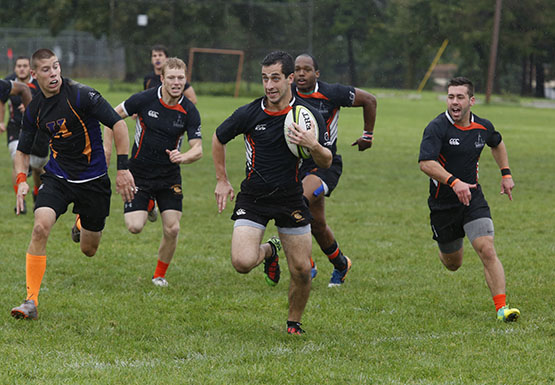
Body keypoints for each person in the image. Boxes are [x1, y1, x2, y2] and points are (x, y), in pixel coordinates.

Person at [10, 48, 135, 320]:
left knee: (89, 250)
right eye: (46, 69)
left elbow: (118, 125)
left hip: (94, 180)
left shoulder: (82, 94)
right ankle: (30, 301)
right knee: (40, 226)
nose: (53, 73)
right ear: (34, 74)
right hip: (58, 177)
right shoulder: (36, 109)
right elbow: (22, 151)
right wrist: (21, 179)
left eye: (56, 67)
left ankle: (80, 222)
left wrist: (123, 169)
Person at [213, 50, 332, 335]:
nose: (269, 85)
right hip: (253, 198)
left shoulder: (307, 116)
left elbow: (326, 160)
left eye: (275, 78)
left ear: (290, 78)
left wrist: (312, 144)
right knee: (241, 263)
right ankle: (269, 251)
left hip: (290, 198)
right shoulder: (250, 113)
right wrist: (221, 179)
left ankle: (294, 323)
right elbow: (219, 137)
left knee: (302, 270)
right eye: (265, 78)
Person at [418, 77, 520, 322]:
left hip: (473, 198)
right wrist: (454, 182)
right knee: (453, 263)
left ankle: (502, 308)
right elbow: (426, 163)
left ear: (471, 101)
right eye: (451, 96)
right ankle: (445, 249)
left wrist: (505, 173)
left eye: (460, 97)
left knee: (486, 249)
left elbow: (497, 142)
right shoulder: (437, 127)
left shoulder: (482, 127)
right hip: (443, 204)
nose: (454, 101)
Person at [104, 57, 202, 287]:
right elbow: (111, 117)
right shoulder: (144, 99)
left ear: (185, 79)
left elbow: (197, 148)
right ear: (162, 78)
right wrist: (108, 149)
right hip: (138, 173)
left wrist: (183, 157)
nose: (176, 82)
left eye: (180, 78)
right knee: (135, 227)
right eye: (171, 78)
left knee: (173, 228)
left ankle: (159, 275)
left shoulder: (189, 111)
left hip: (169, 176)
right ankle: (149, 205)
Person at [291, 53, 378, 286]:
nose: (301, 73)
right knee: (317, 224)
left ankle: (306, 264)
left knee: (296, 203)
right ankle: (341, 264)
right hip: (295, 166)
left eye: (306, 69)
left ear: (316, 73)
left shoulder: (332, 93)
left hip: (324, 164)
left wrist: (367, 136)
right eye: (297, 69)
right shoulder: (286, 94)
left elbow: (370, 100)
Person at [143, 44, 198, 223]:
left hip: (173, 126)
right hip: (150, 128)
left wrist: (178, 116)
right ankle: (149, 202)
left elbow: (192, 99)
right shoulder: (149, 79)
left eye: (160, 55)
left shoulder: (179, 83)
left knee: (172, 227)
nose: (157, 58)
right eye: (154, 55)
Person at [3, 56, 49, 213]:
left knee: (37, 167)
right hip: (15, 127)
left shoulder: (39, 83)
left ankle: (37, 191)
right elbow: (1, 99)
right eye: (18, 66)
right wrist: (1, 121)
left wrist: (32, 109)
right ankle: (20, 202)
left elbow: (49, 104)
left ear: (30, 69)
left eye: (24, 66)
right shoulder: (9, 81)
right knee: (17, 155)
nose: (21, 69)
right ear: (15, 68)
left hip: (37, 131)